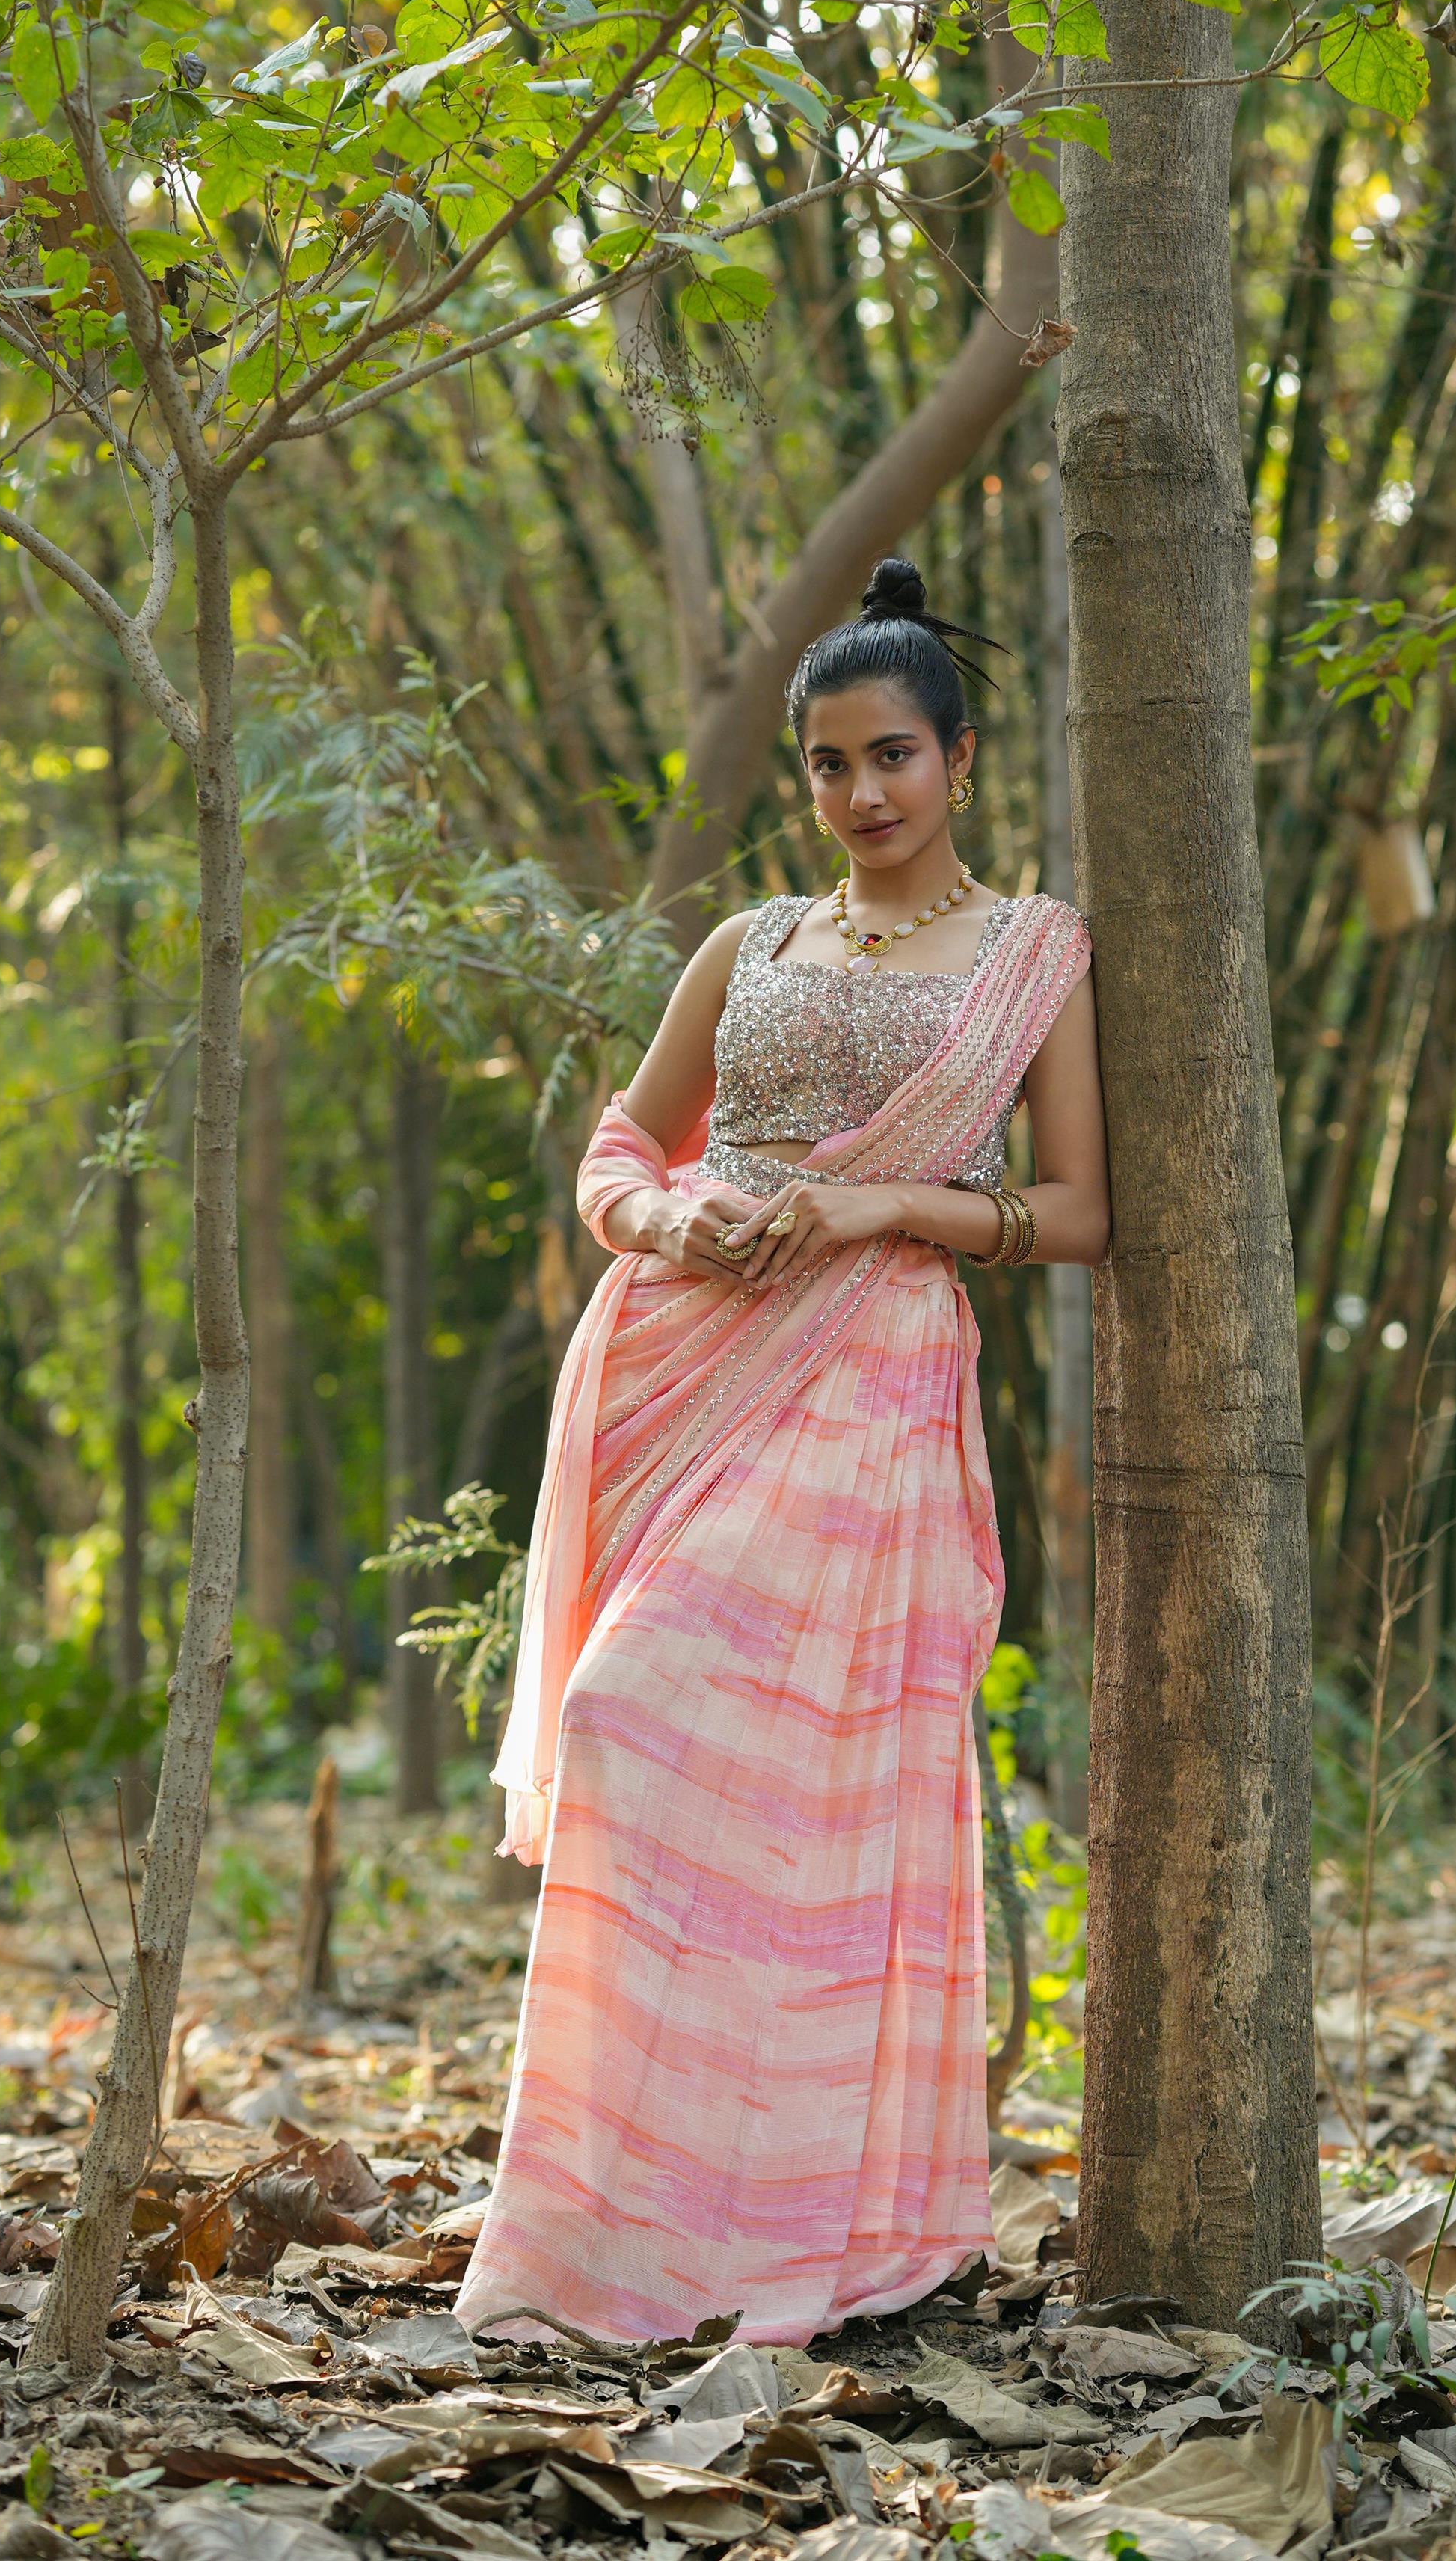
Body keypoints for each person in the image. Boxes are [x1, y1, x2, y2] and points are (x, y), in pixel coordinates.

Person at [454, 553, 1108, 2351]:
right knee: (627, 1732)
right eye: (828, 765)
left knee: (775, 1779)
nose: (861, 793)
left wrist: (876, 1204)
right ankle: (619, 2233)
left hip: (870, 1375)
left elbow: (1074, 1211)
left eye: (893, 754)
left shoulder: (1034, 953)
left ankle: (802, 2228)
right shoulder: (750, 943)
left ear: (961, 756)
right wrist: (667, 1230)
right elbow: (618, 1145)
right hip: (684, 1360)